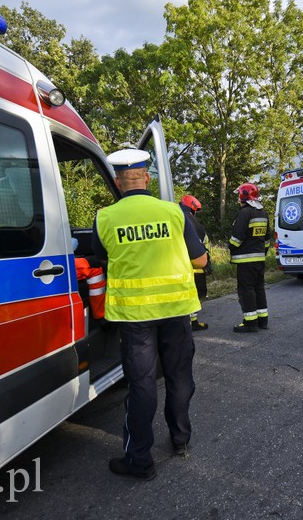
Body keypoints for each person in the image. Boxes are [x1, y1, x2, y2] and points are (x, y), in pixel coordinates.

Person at [92, 148, 208, 481]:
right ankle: (180, 441)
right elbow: (200, 261)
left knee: (142, 385)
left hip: (134, 318)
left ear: (117, 181)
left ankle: (140, 460)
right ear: (146, 177)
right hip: (176, 312)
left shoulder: (105, 217)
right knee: (179, 377)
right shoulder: (174, 212)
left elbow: (102, 259)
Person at [229, 182, 270, 333]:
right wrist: (262, 252)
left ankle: (250, 323)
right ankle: (262, 320)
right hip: (259, 259)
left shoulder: (244, 213)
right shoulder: (263, 212)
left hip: (245, 260)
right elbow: (267, 238)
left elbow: (236, 238)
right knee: (259, 288)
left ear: (243, 196)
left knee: (247, 290)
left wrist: (231, 247)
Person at [179, 194, 212, 331]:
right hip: (198, 267)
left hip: (180, 267)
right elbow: (205, 245)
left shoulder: (178, 218)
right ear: (193, 209)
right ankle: (193, 322)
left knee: (184, 296)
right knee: (195, 296)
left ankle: (189, 322)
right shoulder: (197, 224)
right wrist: (208, 263)